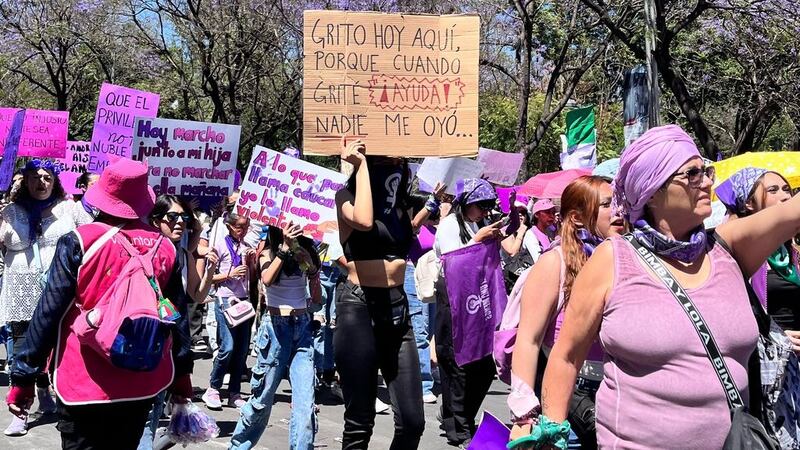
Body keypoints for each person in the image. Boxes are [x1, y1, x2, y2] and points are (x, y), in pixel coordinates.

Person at [537, 125, 800, 449]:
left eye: (706, 171)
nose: (707, 181)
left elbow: (793, 212)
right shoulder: (612, 260)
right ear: (653, 190)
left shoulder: (728, 248)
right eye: (692, 173)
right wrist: (551, 433)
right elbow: (564, 358)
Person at [6, 159, 192, 449]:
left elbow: (49, 312)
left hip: (83, 381)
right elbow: (176, 318)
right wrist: (182, 378)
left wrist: (24, 376)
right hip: (141, 380)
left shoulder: (79, 241)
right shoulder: (165, 247)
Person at [507, 176, 624, 450]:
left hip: (615, 400)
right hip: (566, 403)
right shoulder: (553, 263)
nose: (618, 211)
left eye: (619, 203)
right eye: (607, 204)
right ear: (578, 217)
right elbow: (528, 340)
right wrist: (524, 413)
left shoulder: (624, 261)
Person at [334, 138, 425, 450]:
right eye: (390, 162)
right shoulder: (345, 195)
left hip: (398, 308)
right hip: (359, 309)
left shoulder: (400, 206)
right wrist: (358, 167)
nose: (397, 167)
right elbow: (363, 220)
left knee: (413, 422)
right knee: (360, 423)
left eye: (401, 163)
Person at [0, 159, 92, 435]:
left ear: (55, 181)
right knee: (21, 348)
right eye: (35, 177)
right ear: (25, 180)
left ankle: (59, 400)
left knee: (58, 348)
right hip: (20, 292)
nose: (41, 182)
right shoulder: (10, 211)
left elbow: (92, 237)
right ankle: (21, 409)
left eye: (47, 177)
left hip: (58, 290)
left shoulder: (69, 208)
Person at [230, 222, 322, 450]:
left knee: (304, 404)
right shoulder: (268, 251)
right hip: (276, 329)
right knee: (262, 399)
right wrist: (284, 248)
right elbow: (267, 279)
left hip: (302, 328)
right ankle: (238, 446)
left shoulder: (306, 252)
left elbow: (317, 299)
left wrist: (312, 271)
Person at [138, 195, 219, 450]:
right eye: (172, 217)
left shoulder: (185, 253)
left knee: (152, 417)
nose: (179, 223)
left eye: (184, 218)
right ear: (155, 220)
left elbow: (197, 295)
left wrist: (210, 272)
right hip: (147, 343)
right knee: (146, 416)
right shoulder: (144, 251)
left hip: (173, 348)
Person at [433, 177, 503, 447]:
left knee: (484, 366)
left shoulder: (480, 223)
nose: (484, 212)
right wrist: (477, 239)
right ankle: (459, 427)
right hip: (452, 299)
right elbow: (453, 262)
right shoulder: (450, 225)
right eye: (480, 206)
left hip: (476, 299)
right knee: (458, 364)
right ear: (466, 204)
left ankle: (459, 414)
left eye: (487, 207)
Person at [716, 168, 800, 335]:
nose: (785, 196)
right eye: (772, 190)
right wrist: (775, 336)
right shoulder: (737, 253)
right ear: (749, 202)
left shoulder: (791, 250)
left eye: (786, 189)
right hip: (767, 353)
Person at [202, 213, 257, 410]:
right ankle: (214, 387)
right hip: (225, 299)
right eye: (240, 226)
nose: (243, 231)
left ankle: (235, 391)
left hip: (243, 299)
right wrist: (229, 274)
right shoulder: (219, 246)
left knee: (242, 349)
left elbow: (251, 275)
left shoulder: (245, 247)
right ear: (230, 226)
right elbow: (208, 277)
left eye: (246, 226)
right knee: (228, 347)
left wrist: (251, 262)